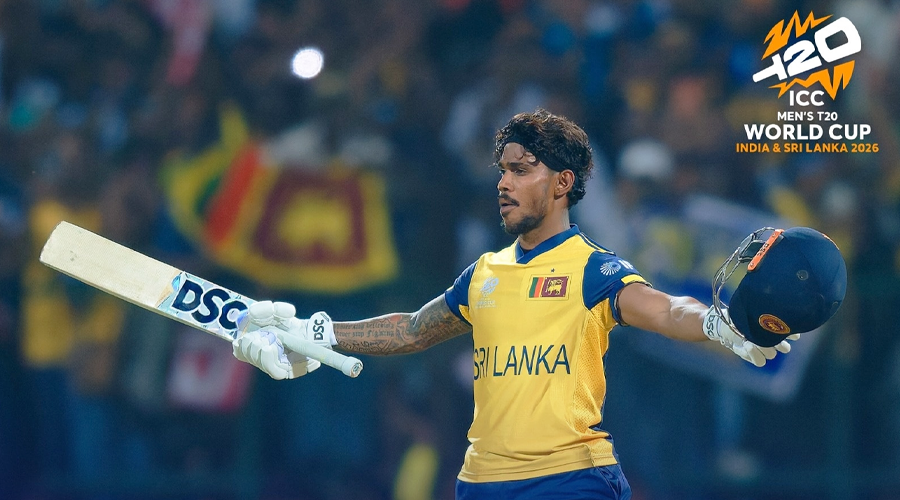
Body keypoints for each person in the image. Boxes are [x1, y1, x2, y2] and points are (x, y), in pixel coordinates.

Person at [232, 109, 797, 499]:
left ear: (563, 183)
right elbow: (412, 330)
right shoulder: (485, 273)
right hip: (482, 483)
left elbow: (666, 309)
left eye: (521, 170)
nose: (504, 183)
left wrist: (717, 325)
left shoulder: (593, 268)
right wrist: (317, 333)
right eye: (503, 170)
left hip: (569, 481)